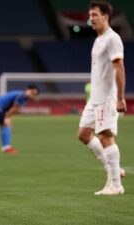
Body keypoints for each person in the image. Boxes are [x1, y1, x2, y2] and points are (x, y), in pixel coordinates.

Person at [78, 0, 126, 195]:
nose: (91, 19)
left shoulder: (112, 39)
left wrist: (120, 97)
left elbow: (119, 68)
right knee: (83, 134)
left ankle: (115, 184)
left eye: (95, 15)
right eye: (90, 16)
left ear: (106, 16)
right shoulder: (98, 39)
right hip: (95, 98)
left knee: (105, 136)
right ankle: (112, 168)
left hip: (106, 98)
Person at [0, 85, 39, 155]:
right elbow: (15, 108)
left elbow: (14, 108)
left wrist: (8, 115)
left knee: (6, 124)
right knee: (6, 124)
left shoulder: (21, 94)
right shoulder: (23, 96)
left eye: (34, 94)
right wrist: (7, 116)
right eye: (32, 92)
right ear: (28, 90)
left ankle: (6, 147)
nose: (32, 95)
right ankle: (6, 148)